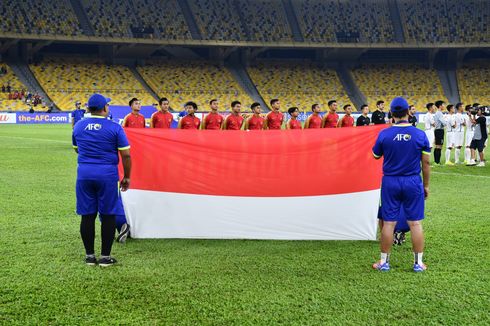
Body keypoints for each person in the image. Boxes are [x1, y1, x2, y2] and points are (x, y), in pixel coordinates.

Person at [372, 97, 430, 272]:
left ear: (391, 114)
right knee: (415, 223)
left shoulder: (384, 134)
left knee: (389, 223)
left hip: (390, 181)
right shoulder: (419, 134)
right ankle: (418, 263)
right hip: (413, 181)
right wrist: (426, 186)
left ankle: (384, 262)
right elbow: (426, 164)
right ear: (408, 112)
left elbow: (375, 156)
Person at [72, 94, 131, 267]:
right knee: (108, 214)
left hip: (84, 174)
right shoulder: (114, 127)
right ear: (104, 108)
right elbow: (126, 155)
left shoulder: (78, 126)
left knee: (87, 215)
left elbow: (77, 149)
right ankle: (105, 257)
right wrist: (126, 176)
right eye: (107, 105)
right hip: (107, 176)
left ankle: (90, 256)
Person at [433, 100, 446, 165]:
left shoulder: (438, 113)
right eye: (443, 105)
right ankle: (436, 162)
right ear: (440, 106)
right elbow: (443, 122)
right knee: (438, 146)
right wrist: (446, 122)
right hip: (439, 130)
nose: (444, 106)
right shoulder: (439, 113)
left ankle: (437, 161)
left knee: (439, 146)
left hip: (438, 130)